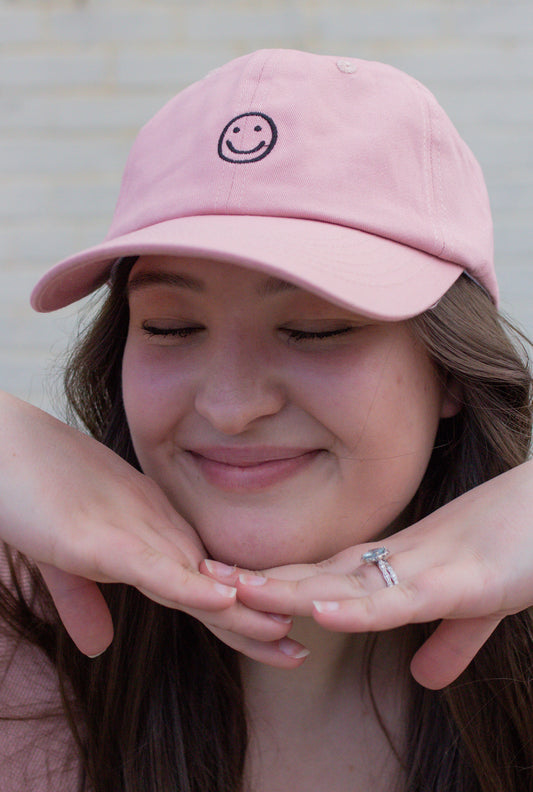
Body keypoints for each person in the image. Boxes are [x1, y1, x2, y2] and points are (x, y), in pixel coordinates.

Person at [1, 48, 532, 791]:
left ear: (448, 368)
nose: (230, 405)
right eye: (170, 327)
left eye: (315, 329)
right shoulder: (22, 635)